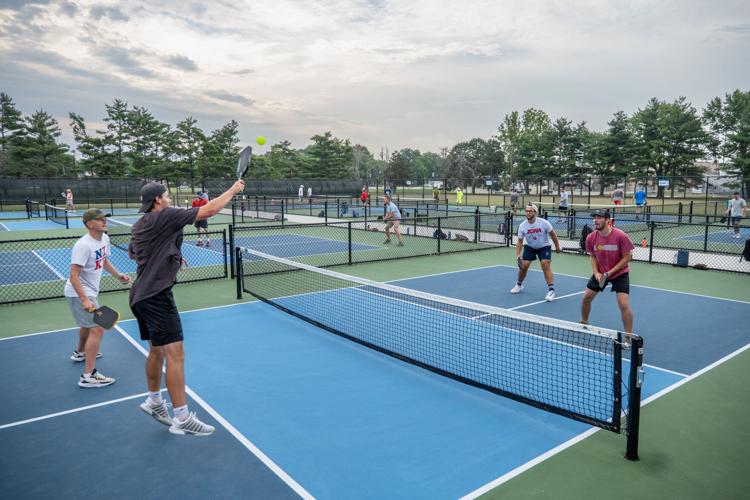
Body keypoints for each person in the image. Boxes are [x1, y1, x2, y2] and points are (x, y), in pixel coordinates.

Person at [129, 179, 245, 436]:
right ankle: (181, 419)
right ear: (158, 200)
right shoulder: (165, 216)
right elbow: (210, 210)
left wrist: (170, 254)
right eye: (167, 195)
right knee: (175, 356)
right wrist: (234, 189)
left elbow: (134, 254)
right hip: (157, 296)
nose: (169, 199)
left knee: (156, 352)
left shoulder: (139, 225)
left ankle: (154, 402)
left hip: (140, 296)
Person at [65, 208, 131, 387]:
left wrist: (118, 275)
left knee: (87, 326)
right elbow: (74, 275)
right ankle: (88, 376)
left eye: (105, 218)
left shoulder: (105, 238)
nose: (104, 221)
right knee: (97, 329)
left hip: (91, 291)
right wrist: (85, 299)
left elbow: (104, 260)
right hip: (79, 292)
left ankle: (80, 352)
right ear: (89, 224)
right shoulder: (83, 245)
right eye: (100, 219)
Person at [580, 208, 635, 342]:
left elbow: (627, 258)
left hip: (620, 273)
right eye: (595, 217)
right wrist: (597, 273)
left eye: (599, 217)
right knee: (586, 297)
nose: (595, 220)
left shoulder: (621, 236)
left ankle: (628, 336)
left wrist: (609, 273)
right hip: (601, 272)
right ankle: (583, 323)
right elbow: (592, 256)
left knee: (623, 304)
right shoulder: (591, 237)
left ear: (607, 220)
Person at [510, 204, 561, 301]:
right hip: (530, 247)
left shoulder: (544, 223)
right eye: (527, 211)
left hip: (544, 247)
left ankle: (551, 290)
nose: (528, 213)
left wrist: (557, 247)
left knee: (545, 264)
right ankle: (519, 285)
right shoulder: (522, 226)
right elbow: (520, 241)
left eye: (530, 211)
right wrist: (518, 255)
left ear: (535, 213)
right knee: (524, 266)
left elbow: (553, 234)